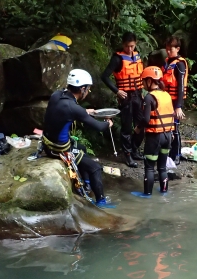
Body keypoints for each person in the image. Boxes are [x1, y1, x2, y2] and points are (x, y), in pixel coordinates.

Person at [42, 69, 114, 207]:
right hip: (59, 150)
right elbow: (99, 127)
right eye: (88, 90)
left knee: (82, 148)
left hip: (47, 144)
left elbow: (63, 112)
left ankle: (85, 183)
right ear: (82, 89)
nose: (87, 92)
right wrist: (108, 123)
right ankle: (101, 203)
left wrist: (86, 112)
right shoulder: (73, 108)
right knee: (95, 168)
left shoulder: (57, 95)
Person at [101, 32, 144, 168]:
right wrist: (117, 91)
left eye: (132, 46)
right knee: (126, 127)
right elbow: (105, 76)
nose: (129, 49)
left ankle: (135, 149)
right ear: (122, 45)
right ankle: (128, 155)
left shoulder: (137, 56)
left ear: (135, 44)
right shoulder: (117, 58)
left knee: (141, 124)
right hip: (126, 97)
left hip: (138, 94)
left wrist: (142, 92)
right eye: (127, 46)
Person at [131, 66, 175, 197]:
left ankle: (147, 194)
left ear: (150, 81)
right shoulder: (166, 95)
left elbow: (145, 119)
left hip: (155, 137)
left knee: (149, 167)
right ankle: (164, 192)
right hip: (168, 135)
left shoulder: (149, 97)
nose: (143, 83)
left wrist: (138, 128)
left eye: (144, 81)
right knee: (162, 167)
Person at [161, 36, 188, 165]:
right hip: (166, 100)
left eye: (170, 50)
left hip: (175, 101)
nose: (168, 52)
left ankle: (176, 154)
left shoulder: (180, 64)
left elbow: (181, 86)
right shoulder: (167, 62)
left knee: (175, 128)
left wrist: (178, 106)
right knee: (167, 127)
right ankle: (167, 152)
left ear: (177, 49)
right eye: (166, 49)